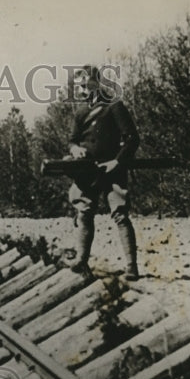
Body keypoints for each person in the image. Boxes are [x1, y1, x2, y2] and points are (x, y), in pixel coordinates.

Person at [66, 65, 140, 280]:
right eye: (78, 87)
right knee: (84, 213)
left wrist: (118, 162)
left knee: (120, 214)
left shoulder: (113, 106)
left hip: (112, 169)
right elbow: (72, 140)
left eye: (84, 85)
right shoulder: (81, 112)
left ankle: (132, 266)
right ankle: (81, 259)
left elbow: (132, 138)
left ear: (96, 83)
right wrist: (75, 149)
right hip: (87, 172)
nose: (80, 90)